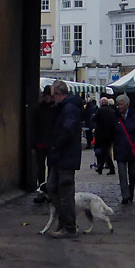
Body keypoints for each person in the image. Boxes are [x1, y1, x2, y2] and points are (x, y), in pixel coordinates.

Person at [45, 80, 83, 237]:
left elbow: (68, 130)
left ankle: (69, 226)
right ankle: (64, 221)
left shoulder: (69, 109)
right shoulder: (64, 108)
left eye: (53, 96)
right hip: (60, 156)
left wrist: (56, 146)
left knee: (65, 191)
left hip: (65, 156)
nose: (52, 99)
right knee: (52, 187)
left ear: (59, 94)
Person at [112, 93, 135, 204]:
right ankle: (125, 196)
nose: (119, 106)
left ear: (126, 105)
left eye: (120, 104)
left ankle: (131, 191)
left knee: (132, 173)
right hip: (120, 148)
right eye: (118, 104)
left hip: (132, 149)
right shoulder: (115, 116)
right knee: (122, 174)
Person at [32, 86, 56, 198]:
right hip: (41, 141)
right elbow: (34, 126)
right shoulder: (38, 108)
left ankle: (50, 188)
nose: (48, 98)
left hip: (51, 142)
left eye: (50, 96)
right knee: (40, 167)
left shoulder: (55, 109)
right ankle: (41, 188)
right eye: (47, 96)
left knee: (51, 166)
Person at [92, 95, 116, 175]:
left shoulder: (100, 110)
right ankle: (100, 168)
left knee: (105, 151)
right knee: (105, 151)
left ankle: (111, 168)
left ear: (102, 103)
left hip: (102, 134)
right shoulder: (112, 111)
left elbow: (94, 119)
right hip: (111, 134)